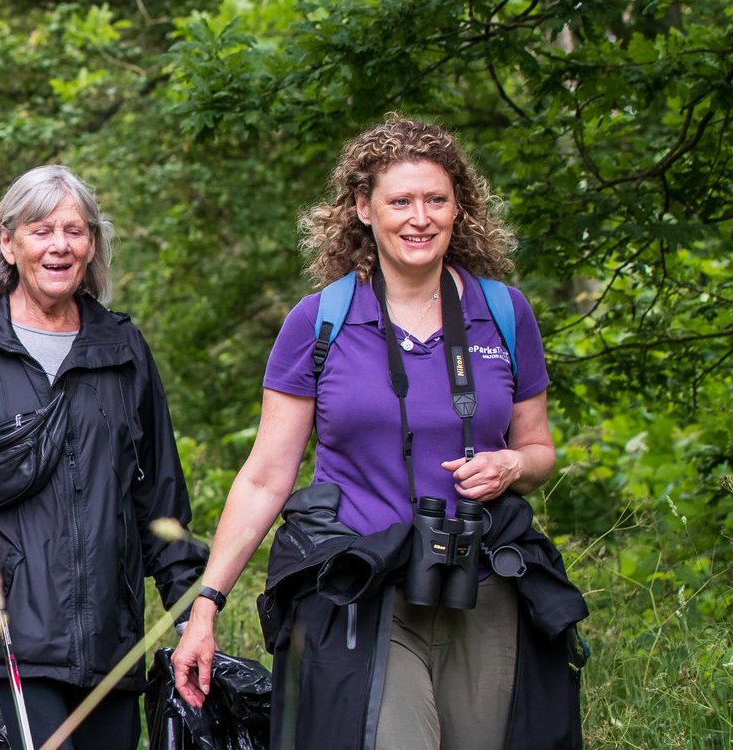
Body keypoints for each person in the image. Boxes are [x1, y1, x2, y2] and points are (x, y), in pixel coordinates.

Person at [170, 116, 569, 749]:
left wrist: (512, 467)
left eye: (436, 199)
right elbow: (267, 476)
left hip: (483, 584)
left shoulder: (502, 311)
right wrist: (206, 605)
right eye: (400, 201)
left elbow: (539, 448)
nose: (420, 218)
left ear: (459, 207)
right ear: (363, 208)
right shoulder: (320, 320)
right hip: (365, 588)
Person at [0, 165, 206, 749]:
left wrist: (190, 614)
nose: (60, 245)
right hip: (10, 646)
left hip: (113, 647)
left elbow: (160, 495)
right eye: (41, 229)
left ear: (92, 246)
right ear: (8, 243)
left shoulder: (122, 348)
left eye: (75, 231)